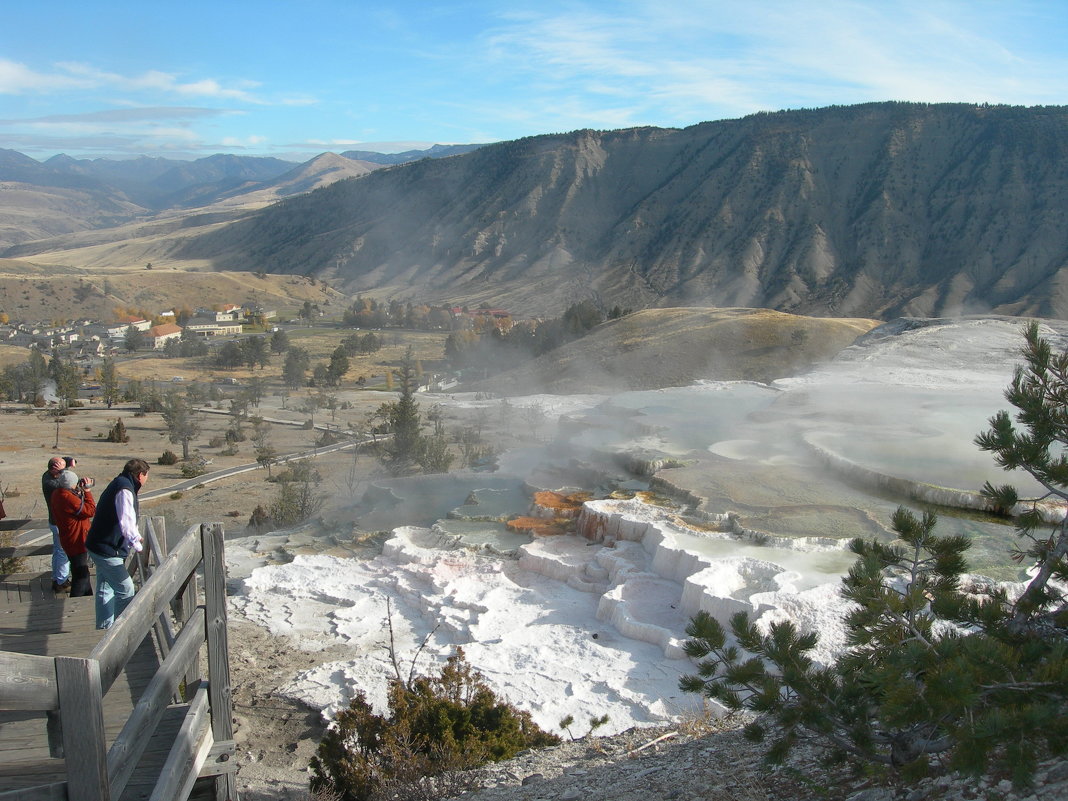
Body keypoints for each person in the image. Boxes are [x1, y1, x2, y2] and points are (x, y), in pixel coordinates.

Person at [86, 458, 149, 629]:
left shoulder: (121, 483)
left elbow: (125, 519)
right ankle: (120, 634)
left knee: (105, 588)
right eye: (146, 475)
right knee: (126, 589)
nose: (146, 479)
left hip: (98, 545)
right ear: (140, 474)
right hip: (107, 549)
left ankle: (104, 628)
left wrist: (135, 536)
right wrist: (137, 544)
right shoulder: (125, 489)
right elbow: (126, 519)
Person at [50, 470, 97, 597]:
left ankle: (88, 597)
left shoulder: (57, 493)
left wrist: (78, 492)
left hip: (68, 538)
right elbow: (91, 511)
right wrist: (87, 492)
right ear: (72, 484)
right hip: (76, 539)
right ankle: (75, 601)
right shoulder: (67, 497)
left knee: (79, 570)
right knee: (81, 574)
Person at [41, 456, 71, 592]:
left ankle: (56, 578)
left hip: (55, 522)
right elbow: (67, 483)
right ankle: (62, 581)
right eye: (62, 469)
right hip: (59, 523)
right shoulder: (52, 485)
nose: (65, 471)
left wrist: (70, 460)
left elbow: (63, 461)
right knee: (63, 552)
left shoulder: (46, 475)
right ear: (54, 469)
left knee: (57, 551)